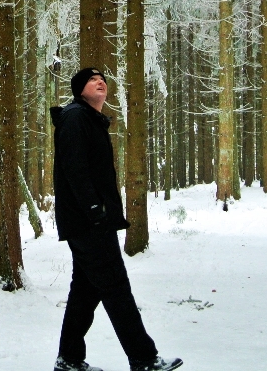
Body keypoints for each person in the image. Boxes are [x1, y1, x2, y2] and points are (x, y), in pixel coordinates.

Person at [50, 67, 182, 371]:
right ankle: (144, 358)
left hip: (93, 221)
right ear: (79, 89)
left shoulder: (90, 120)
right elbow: (75, 169)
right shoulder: (74, 118)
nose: (100, 83)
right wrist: (95, 209)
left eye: (102, 80)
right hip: (89, 222)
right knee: (116, 288)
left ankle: (69, 359)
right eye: (92, 80)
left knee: (85, 291)